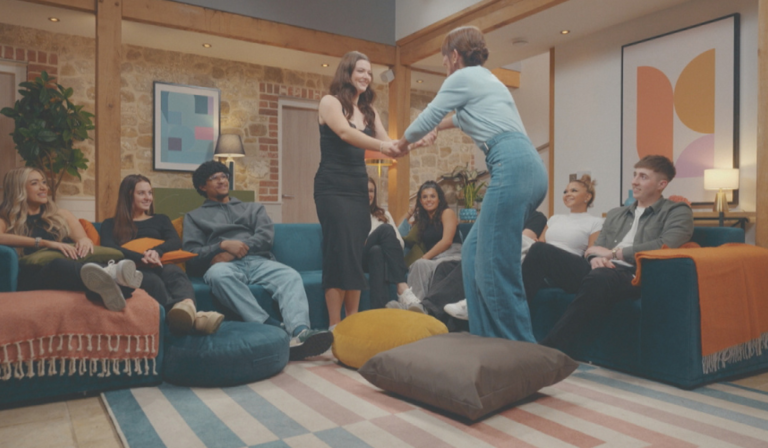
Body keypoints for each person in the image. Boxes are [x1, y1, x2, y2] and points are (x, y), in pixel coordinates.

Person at [392, 26, 548, 341]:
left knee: (496, 266)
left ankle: (518, 349)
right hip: (529, 168)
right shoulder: (488, 81)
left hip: (511, 165)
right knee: (474, 251)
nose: (444, 67)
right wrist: (436, 130)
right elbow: (453, 119)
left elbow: (430, 115)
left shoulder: (462, 77)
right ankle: (484, 338)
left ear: (454, 55)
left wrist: (402, 144)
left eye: (444, 60)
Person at [528, 155, 693, 354]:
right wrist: (594, 258)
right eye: (634, 175)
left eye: (643, 176)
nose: (634, 181)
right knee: (540, 251)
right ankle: (509, 327)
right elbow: (596, 246)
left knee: (600, 277)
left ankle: (549, 350)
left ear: (661, 184)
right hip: (599, 269)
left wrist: (615, 253)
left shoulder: (676, 211)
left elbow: (666, 244)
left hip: (633, 275)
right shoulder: (616, 213)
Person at [314, 51, 428, 328]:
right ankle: (333, 326)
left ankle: (351, 323)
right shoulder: (330, 102)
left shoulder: (368, 111)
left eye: (369, 72)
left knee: (353, 254)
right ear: (347, 72)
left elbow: (390, 145)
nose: (366, 76)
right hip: (332, 186)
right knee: (338, 253)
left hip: (356, 188)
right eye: (360, 70)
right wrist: (381, 146)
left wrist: (414, 143)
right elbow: (344, 133)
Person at [183, 161, 333, 360]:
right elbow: (192, 253)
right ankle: (270, 326)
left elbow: (265, 237)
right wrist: (221, 246)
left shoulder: (252, 208)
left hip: (258, 261)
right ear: (203, 186)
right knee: (218, 276)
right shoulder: (194, 217)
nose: (222, 181)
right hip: (223, 267)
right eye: (214, 178)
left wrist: (235, 250)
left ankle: (300, 332)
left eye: (224, 176)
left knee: (290, 275)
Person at [0, 167, 139, 311]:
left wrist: (84, 242)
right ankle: (111, 274)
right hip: (34, 276)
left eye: (44, 182)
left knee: (130, 284)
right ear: (18, 188)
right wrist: (44, 243)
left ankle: (107, 288)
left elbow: (83, 239)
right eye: (35, 183)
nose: (43, 187)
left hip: (71, 271)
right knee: (58, 264)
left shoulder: (61, 215)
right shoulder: (6, 217)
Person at [99, 174, 224, 334]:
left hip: (161, 263)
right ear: (128, 195)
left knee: (176, 273)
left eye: (150, 193)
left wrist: (157, 252)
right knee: (152, 281)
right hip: (134, 269)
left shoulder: (160, 220)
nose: (148, 198)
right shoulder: (111, 224)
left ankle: (188, 310)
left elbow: (174, 241)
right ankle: (194, 320)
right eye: (141, 193)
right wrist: (142, 258)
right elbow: (109, 247)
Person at [441, 210, 548, 322]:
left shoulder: (535, 216)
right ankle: (430, 307)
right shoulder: (503, 215)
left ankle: (468, 303)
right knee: (445, 266)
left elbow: (520, 241)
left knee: (477, 263)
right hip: (492, 253)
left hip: (510, 257)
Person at [521, 175, 603, 302]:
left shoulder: (596, 222)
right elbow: (540, 242)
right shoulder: (555, 218)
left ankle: (515, 305)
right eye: (565, 191)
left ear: (587, 197)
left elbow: (592, 252)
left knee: (538, 248)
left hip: (573, 267)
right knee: (525, 245)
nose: (567, 194)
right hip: (547, 262)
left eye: (573, 191)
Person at [387, 181, 461, 312]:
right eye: (425, 197)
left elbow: (447, 241)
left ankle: (415, 307)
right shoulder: (423, 221)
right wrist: (411, 211)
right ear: (420, 201)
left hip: (452, 255)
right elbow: (397, 230)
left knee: (420, 263)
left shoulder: (447, 212)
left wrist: (425, 257)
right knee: (418, 265)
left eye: (432, 196)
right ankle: (413, 305)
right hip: (435, 258)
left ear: (439, 199)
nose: (429, 200)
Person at [363, 176, 412, 309]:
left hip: (379, 259)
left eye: (371, 191)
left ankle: (380, 311)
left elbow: (400, 244)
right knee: (385, 229)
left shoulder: (384, 214)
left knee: (377, 251)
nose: (369, 194)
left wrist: (384, 244)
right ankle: (401, 286)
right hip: (361, 258)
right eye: (365, 190)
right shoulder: (353, 214)